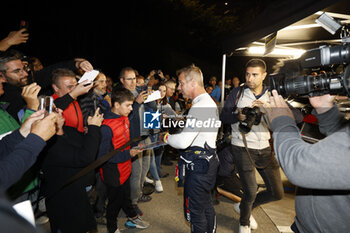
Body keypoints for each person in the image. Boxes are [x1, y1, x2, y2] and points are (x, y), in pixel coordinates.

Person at [263, 90, 350, 233]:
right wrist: (325, 110)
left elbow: (298, 165)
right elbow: (340, 140)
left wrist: (282, 122)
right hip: (303, 226)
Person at [220, 59, 285, 233]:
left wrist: (267, 110)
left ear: (264, 75)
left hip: (264, 148)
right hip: (241, 146)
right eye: (247, 74)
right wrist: (237, 116)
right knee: (250, 190)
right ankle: (244, 222)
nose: (250, 78)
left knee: (276, 192)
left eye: (255, 75)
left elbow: (289, 120)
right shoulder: (238, 92)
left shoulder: (272, 96)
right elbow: (223, 116)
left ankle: (243, 207)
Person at [41, 68, 103, 233]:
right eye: (69, 87)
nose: (75, 90)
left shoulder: (74, 101)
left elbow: (76, 134)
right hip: (65, 181)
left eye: (75, 86)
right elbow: (83, 156)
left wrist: (87, 131)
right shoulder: (53, 106)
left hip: (77, 175)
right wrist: (93, 130)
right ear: (55, 88)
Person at [161, 64, 220, 232]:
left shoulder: (201, 106)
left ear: (192, 82)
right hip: (206, 162)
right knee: (205, 205)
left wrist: (165, 137)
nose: (179, 88)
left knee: (195, 213)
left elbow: (183, 142)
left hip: (201, 165)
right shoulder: (205, 102)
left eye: (181, 83)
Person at [98, 87, 149, 233]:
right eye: (128, 105)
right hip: (113, 171)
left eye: (132, 105)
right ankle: (112, 229)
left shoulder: (124, 117)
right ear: (116, 105)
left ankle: (132, 218)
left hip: (125, 167)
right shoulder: (106, 126)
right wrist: (129, 154)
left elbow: (125, 140)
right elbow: (103, 157)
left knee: (125, 196)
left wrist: (134, 145)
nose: (131, 108)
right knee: (114, 203)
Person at [118, 66, 156, 216]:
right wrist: (137, 103)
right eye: (129, 79)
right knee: (136, 172)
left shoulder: (138, 92)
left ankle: (138, 194)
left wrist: (151, 97)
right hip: (133, 139)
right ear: (122, 80)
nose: (133, 82)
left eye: (134, 78)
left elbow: (152, 108)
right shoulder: (120, 95)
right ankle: (132, 203)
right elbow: (125, 118)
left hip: (146, 136)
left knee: (145, 168)